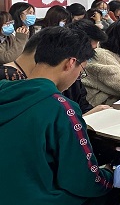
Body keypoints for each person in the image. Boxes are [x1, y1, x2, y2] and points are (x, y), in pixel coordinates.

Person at [0, 27, 113, 204]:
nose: (78, 77)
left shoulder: (4, 89)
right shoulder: (61, 108)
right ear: (70, 63)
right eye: (81, 71)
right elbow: (81, 179)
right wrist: (110, 174)